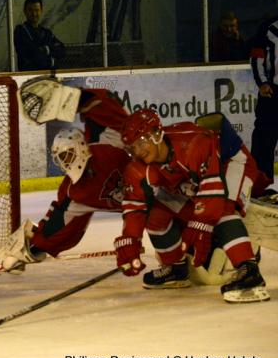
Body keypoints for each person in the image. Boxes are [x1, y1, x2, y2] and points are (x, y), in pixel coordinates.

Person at [115, 108, 270, 303]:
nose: (138, 151)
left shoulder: (195, 143)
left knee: (222, 209)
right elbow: (135, 207)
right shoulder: (139, 166)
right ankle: (176, 268)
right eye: (132, 147)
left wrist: (200, 224)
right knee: (155, 212)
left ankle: (249, 271)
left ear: (156, 133)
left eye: (141, 143)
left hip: (231, 162)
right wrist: (130, 238)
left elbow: (212, 195)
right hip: (195, 177)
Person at [1, 87, 130, 273]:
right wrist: (33, 248)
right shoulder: (75, 190)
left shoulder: (106, 144)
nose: (67, 163)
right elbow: (60, 224)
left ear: (82, 147)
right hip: (138, 206)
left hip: (156, 190)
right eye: (61, 159)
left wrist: (79, 97)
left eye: (69, 155)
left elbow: (107, 106)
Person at [249, 15, 278, 188]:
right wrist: (262, 82)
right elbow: (256, 56)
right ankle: (261, 186)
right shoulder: (268, 27)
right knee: (264, 141)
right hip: (273, 93)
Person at [14, 0, 66, 72]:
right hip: (28, 77)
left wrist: (45, 50)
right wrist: (51, 61)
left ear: (41, 11)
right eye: (30, 10)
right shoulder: (20, 31)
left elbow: (62, 50)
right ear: (25, 11)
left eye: (37, 10)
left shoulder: (47, 32)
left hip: (48, 77)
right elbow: (31, 55)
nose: (34, 14)